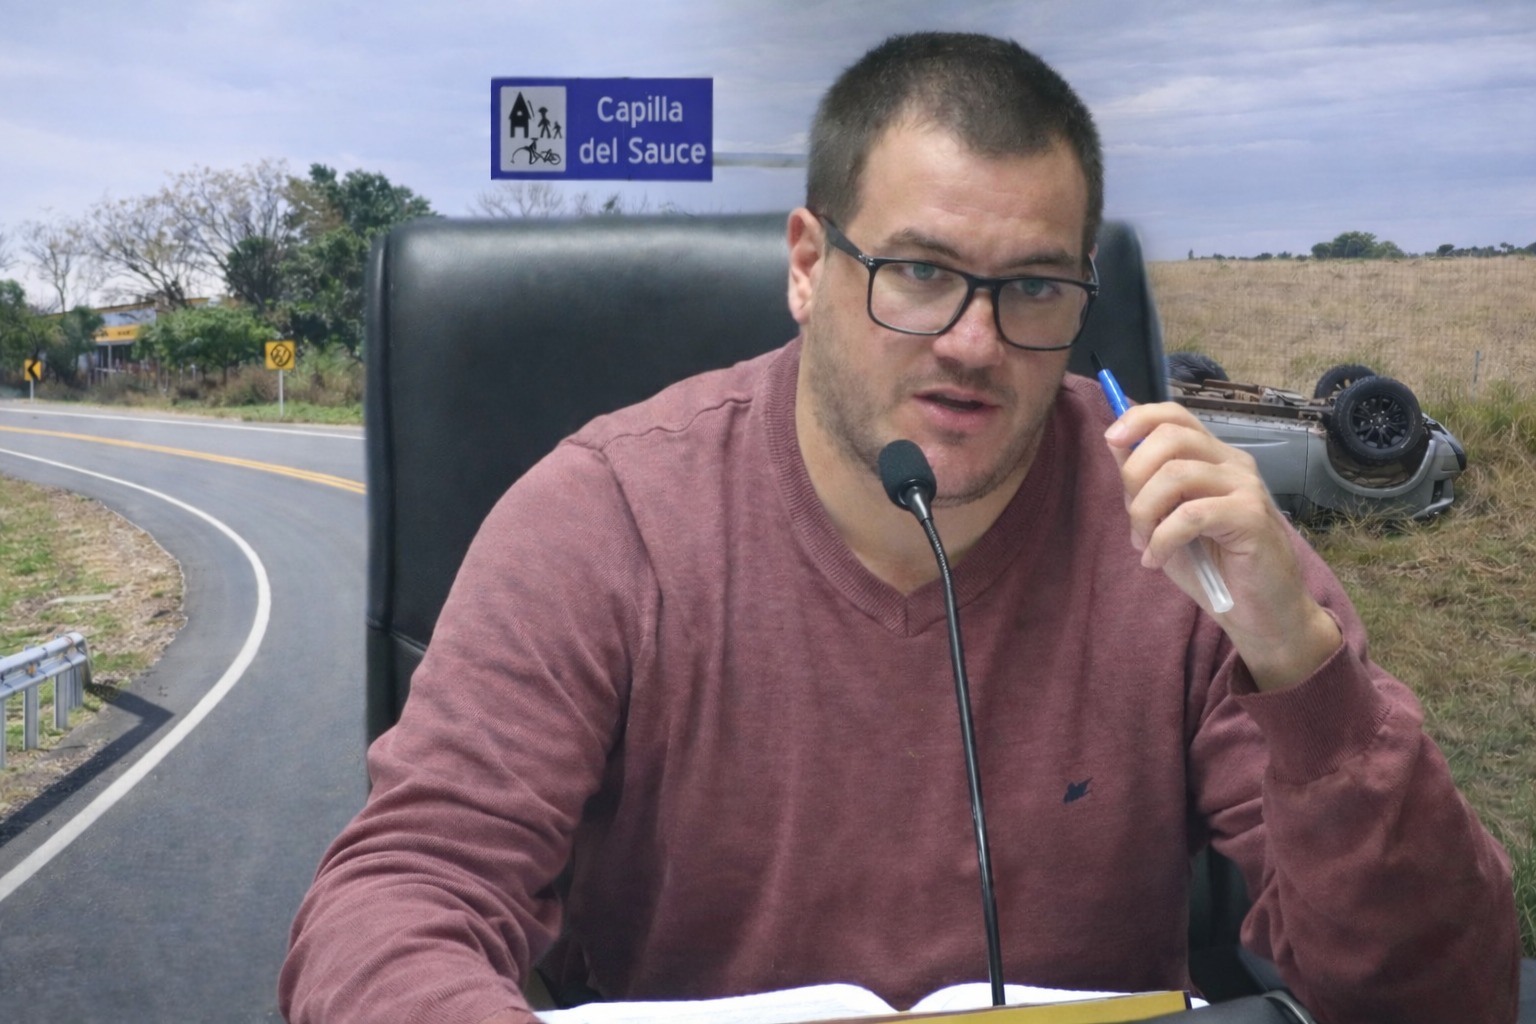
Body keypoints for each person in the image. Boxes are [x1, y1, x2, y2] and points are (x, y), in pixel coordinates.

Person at [280, 32, 1521, 1024]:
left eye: (1033, 285)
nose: (974, 343)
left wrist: (1305, 670)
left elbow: (1439, 994)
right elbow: (398, 900)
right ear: (808, 264)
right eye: (920, 272)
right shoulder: (603, 517)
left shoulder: (1185, 533)